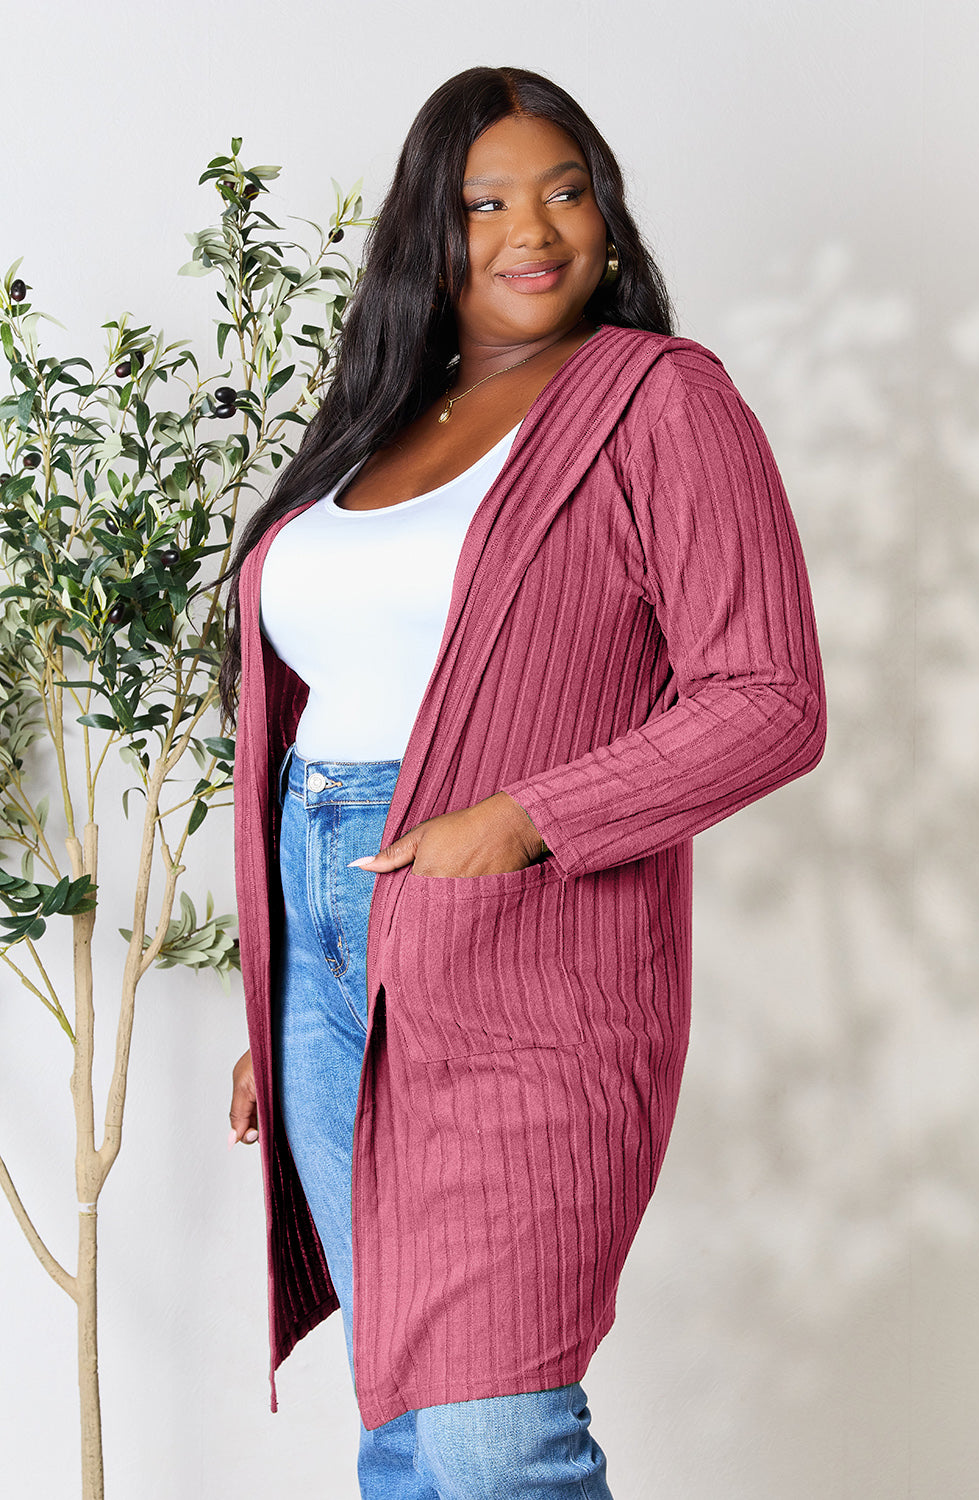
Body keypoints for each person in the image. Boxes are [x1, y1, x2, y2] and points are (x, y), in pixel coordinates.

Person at [222, 64, 826, 1500]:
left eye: (564, 191)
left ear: (607, 219)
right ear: (428, 234)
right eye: (485, 201)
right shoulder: (379, 420)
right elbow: (315, 705)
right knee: (407, 1424)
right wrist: (294, 982)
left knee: (499, 1436)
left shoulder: (658, 403)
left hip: (524, 963)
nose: (530, 229)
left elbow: (770, 703)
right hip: (326, 957)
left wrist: (523, 821)